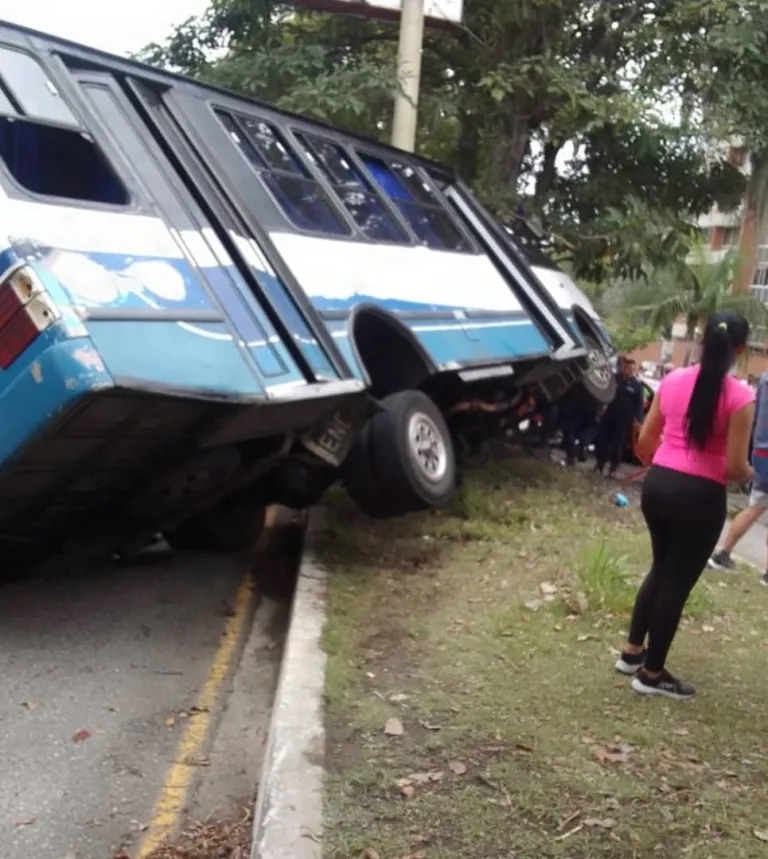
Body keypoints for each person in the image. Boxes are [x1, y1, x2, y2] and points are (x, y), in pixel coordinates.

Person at [614, 311, 754, 700]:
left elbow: (643, 442)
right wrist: (748, 478)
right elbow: (736, 466)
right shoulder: (741, 397)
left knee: (661, 568)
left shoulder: (673, 380)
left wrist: (668, 467)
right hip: (701, 496)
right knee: (676, 581)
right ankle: (652, 674)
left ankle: (631, 653)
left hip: (658, 486)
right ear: (739, 350)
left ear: (704, 339)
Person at [709, 369, 768, 585]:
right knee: (757, 507)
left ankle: (723, 552)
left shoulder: (764, 379)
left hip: (761, 452)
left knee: (756, 506)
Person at [593, 358, 644, 476]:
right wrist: (600, 409)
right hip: (608, 416)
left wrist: (638, 420)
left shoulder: (637, 386)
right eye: (630, 369)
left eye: (634, 369)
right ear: (624, 368)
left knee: (618, 445)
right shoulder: (614, 380)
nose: (632, 371)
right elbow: (604, 393)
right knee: (602, 442)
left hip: (624, 421)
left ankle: (613, 469)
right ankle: (600, 464)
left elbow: (639, 405)